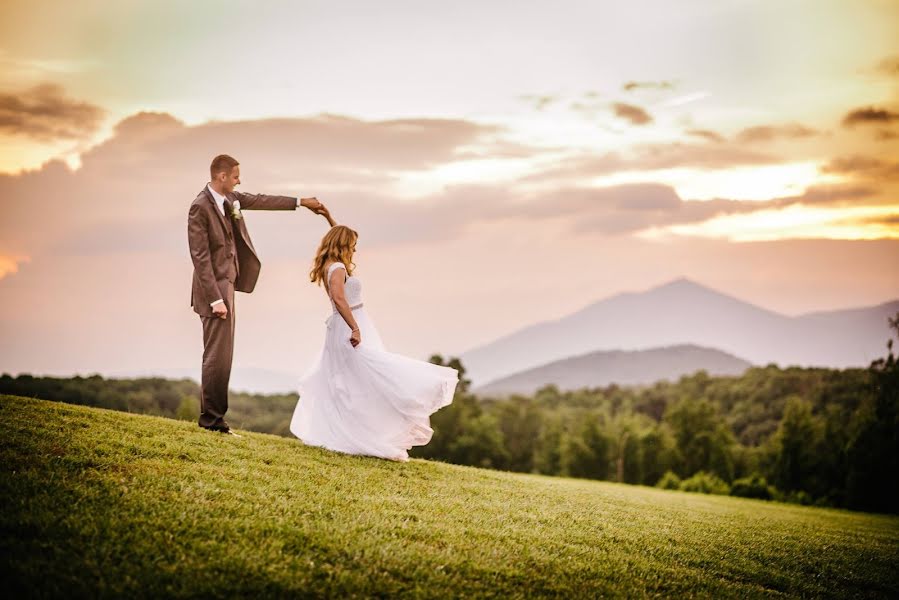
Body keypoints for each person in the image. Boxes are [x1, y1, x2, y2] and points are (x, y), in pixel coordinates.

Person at [187, 154, 332, 435]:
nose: (240, 180)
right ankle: (212, 422)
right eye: (236, 175)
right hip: (214, 293)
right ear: (221, 176)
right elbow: (200, 257)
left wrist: (301, 202)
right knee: (216, 356)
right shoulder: (199, 207)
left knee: (223, 355)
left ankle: (216, 420)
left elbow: (263, 200)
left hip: (227, 287)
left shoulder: (231, 200)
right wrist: (216, 298)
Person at [290, 225, 458, 461]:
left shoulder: (330, 264)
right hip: (349, 324)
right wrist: (355, 327)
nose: (355, 249)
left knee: (352, 382)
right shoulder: (337, 267)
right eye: (352, 245)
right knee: (371, 374)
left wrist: (328, 216)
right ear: (343, 244)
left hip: (346, 324)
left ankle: (359, 429)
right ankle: (409, 398)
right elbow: (339, 298)